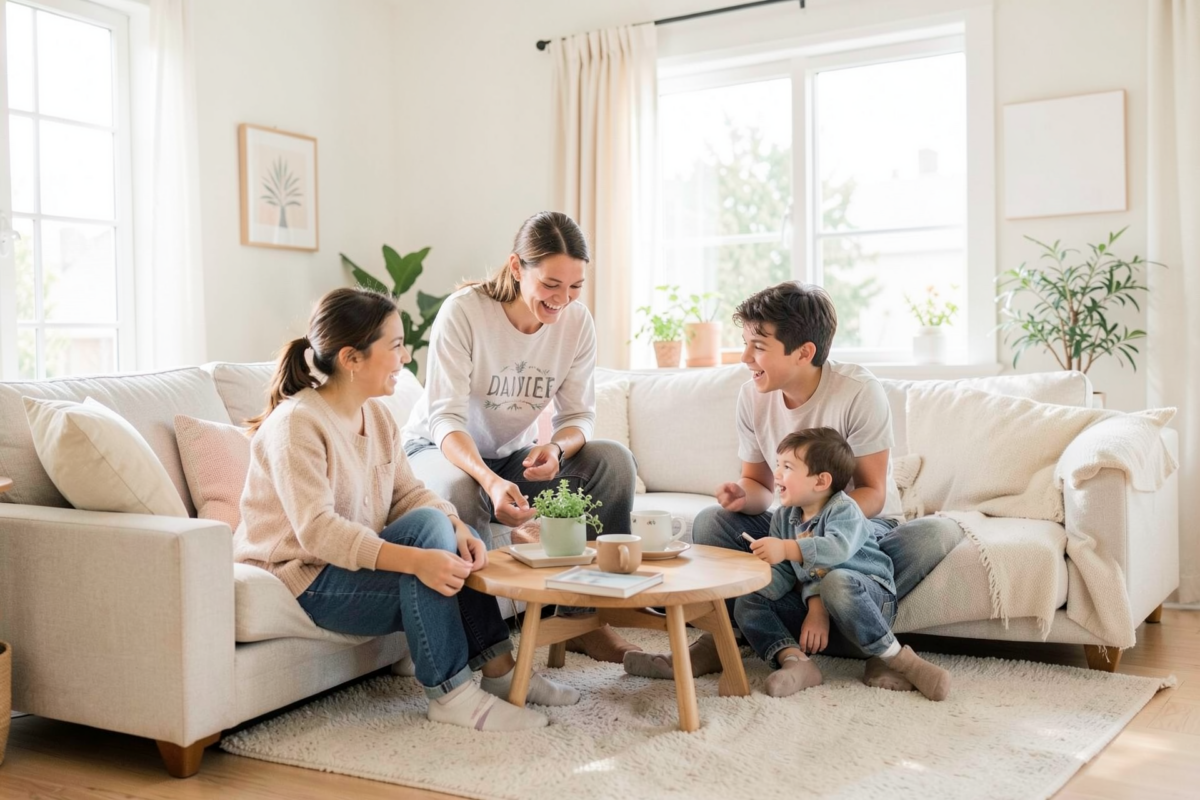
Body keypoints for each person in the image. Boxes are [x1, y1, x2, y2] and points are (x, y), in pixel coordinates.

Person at [233, 287, 579, 732]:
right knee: (428, 554)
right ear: (351, 358)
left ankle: (500, 674)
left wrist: (457, 527)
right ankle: (452, 695)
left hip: (348, 565)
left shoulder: (375, 417)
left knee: (437, 524)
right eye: (395, 346)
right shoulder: (297, 424)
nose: (405, 356)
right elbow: (317, 532)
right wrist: (418, 560)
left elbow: (407, 493)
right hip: (304, 578)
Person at [625, 281, 963, 690]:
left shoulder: (858, 392)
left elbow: (872, 491)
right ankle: (723, 638)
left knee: (926, 536)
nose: (746, 357)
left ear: (804, 352)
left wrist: (811, 536)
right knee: (712, 523)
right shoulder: (752, 396)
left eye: (758, 346)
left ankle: (868, 643)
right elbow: (759, 485)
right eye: (745, 343)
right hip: (789, 521)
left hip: (860, 524)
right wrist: (742, 494)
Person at [403, 211, 640, 664]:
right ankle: (488, 651)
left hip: (511, 455)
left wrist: (553, 448)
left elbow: (579, 417)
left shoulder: (576, 323)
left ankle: (584, 620)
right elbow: (445, 420)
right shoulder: (466, 313)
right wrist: (489, 483)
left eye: (575, 287)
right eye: (551, 285)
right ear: (517, 268)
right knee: (458, 490)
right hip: (439, 449)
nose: (563, 299)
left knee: (613, 463)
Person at [734, 428, 950, 700]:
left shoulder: (845, 510)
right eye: (777, 465)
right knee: (748, 599)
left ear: (821, 481)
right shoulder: (783, 517)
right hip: (821, 612)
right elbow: (788, 575)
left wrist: (787, 549)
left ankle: (898, 661)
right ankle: (795, 660)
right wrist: (757, 578)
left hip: (867, 601)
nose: (776, 474)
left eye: (787, 467)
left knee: (837, 582)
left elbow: (836, 550)